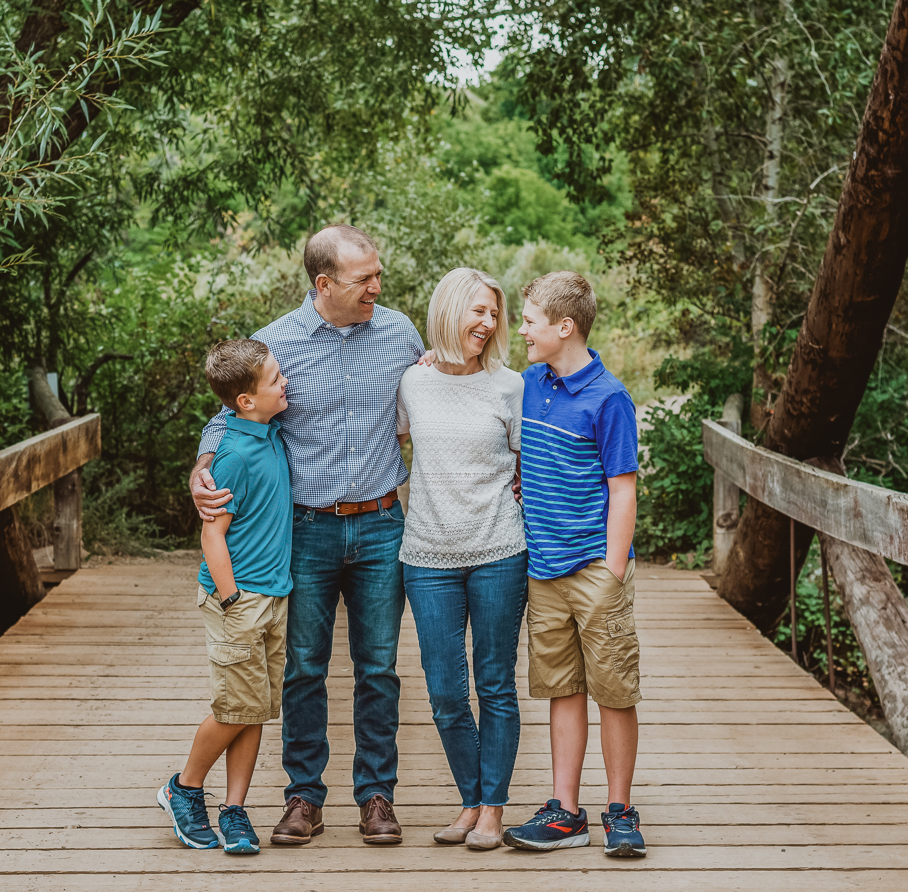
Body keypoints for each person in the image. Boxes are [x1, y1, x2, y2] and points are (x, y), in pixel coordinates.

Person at [190, 225, 425, 846]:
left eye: (378, 274)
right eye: (364, 279)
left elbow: (429, 406)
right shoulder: (276, 343)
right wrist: (199, 472)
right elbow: (225, 418)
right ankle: (303, 797)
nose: (377, 286)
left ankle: (377, 795)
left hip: (380, 524)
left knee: (378, 668)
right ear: (323, 284)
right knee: (303, 669)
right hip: (307, 530)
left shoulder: (400, 333)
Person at [501, 271, 648, 858]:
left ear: (565, 327)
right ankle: (565, 811)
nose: (522, 329)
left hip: (593, 567)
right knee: (563, 690)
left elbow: (623, 488)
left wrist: (613, 569)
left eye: (530, 320)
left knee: (613, 691)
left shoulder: (609, 398)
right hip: (545, 571)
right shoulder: (530, 384)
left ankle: (620, 809)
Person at [395, 267, 526, 851]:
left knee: (495, 683)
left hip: (500, 550)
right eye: (478, 311)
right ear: (449, 310)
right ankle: (469, 801)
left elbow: (527, 463)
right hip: (426, 556)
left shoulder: (510, 386)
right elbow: (393, 445)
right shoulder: (413, 383)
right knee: (446, 690)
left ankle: (492, 809)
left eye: (495, 314)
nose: (489, 323)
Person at [159, 339, 292, 854]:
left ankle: (235, 809)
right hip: (239, 599)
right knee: (234, 708)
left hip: (274, 596)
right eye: (276, 379)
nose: (286, 383)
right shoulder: (233, 456)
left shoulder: (269, 431)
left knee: (255, 708)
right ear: (244, 400)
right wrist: (233, 597)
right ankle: (185, 787)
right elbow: (212, 534)